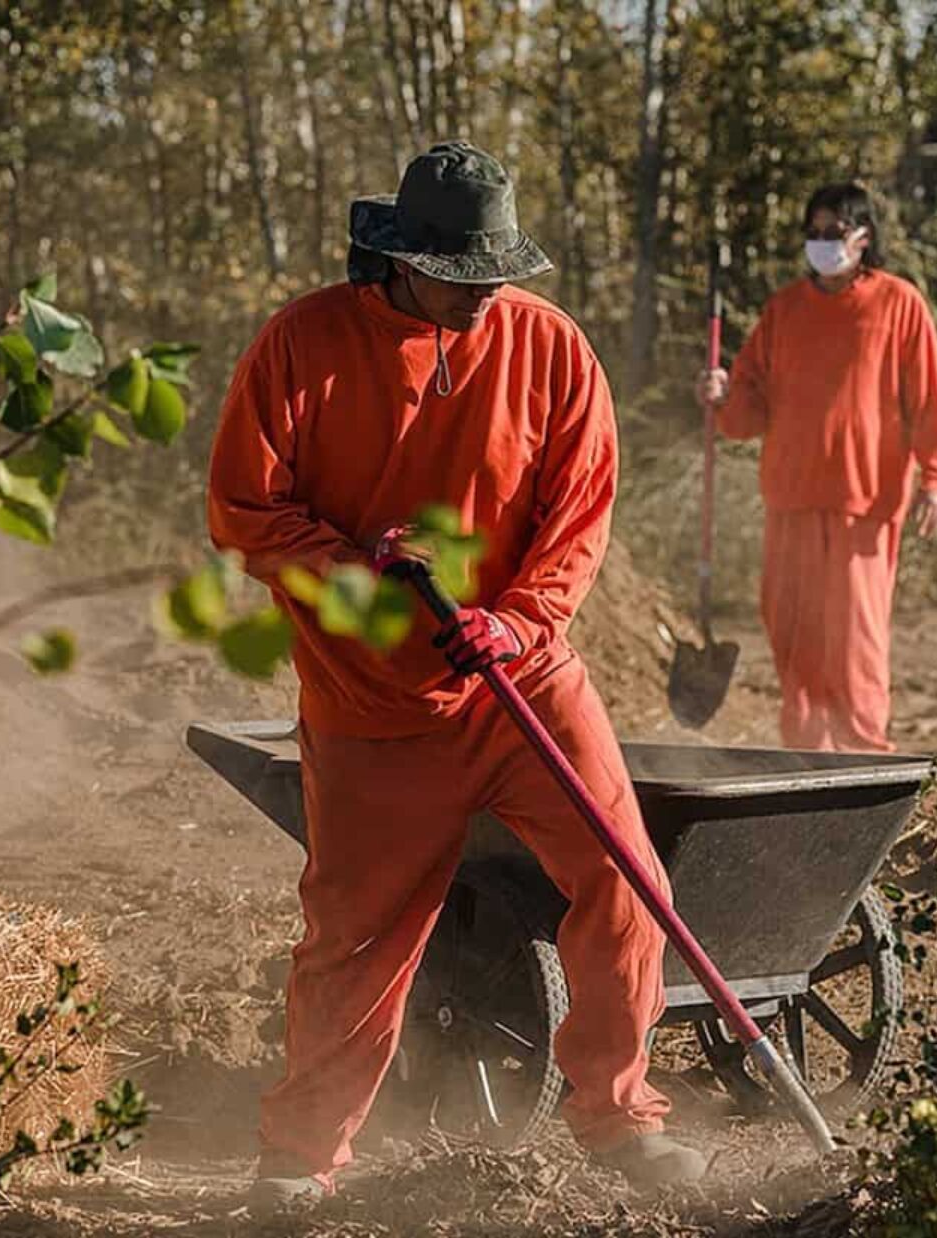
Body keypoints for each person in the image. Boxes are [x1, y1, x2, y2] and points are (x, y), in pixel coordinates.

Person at [208, 142, 702, 1208]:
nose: (486, 297)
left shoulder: (552, 348)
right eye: (463, 278)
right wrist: (359, 575)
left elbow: (578, 517)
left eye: (500, 277)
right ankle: (299, 1158)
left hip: (523, 684)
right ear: (401, 258)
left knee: (629, 882)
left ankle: (619, 1116)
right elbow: (244, 510)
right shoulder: (302, 346)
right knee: (357, 940)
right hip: (370, 703)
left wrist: (518, 624)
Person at [696, 182, 937, 753]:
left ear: (864, 237)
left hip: (864, 502)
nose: (822, 244)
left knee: (854, 642)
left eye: (833, 232)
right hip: (791, 496)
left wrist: (936, 478)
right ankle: (806, 755)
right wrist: (720, 396)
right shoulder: (783, 310)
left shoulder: (899, 304)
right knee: (792, 632)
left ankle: (862, 757)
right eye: (813, 234)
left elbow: (931, 400)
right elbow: (746, 413)